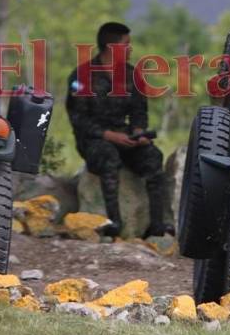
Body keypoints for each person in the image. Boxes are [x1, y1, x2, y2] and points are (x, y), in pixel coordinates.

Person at [65, 22, 172, 239]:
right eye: (127, 44)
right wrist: (110, 136)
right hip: (94, 140)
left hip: (125, 137)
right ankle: (114, 223)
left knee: (153, 156)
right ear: (111, 47)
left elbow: (139, 112)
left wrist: (139, 133)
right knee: (108, 155)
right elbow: (78, 119)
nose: (131, 48)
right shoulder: (82, 76)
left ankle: (158, 225)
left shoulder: (132, 75)